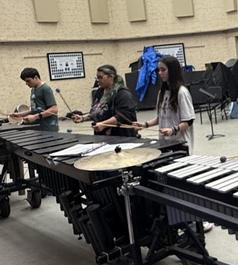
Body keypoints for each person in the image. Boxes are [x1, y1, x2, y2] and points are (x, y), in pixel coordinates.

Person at [132, 56, 211, 233]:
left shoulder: (182, 92)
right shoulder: (162, 93)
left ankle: (200, 219)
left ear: (172, 71)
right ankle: (180, 219)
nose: (159, 73)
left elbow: (189, 120)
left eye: (163, 70)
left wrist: (174, 130)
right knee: (170, 185)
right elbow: (160, 118)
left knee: (184, 185)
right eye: (158, 70)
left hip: (180, 145)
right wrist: (144, 125)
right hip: (165, 145)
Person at [72, 65, 138, 137]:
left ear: (111, 77)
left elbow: (122, 116)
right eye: (97, 78)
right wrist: (82, 118)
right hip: (102, 135)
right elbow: (97, 111)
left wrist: (103, 124)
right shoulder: (100, 92)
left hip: (120, 136)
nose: (98, 80)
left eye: (100, 77)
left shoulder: (123, 94)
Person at [10, 67, 59, 132]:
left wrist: (35, 117)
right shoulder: (33, 89)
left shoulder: (45, 89)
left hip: (48, 128)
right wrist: (20, 114)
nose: (27, 83)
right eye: (25, 81)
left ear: (36, 77)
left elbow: (54, 109)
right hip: (38, 127)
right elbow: (34, 109)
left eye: (28, 81)